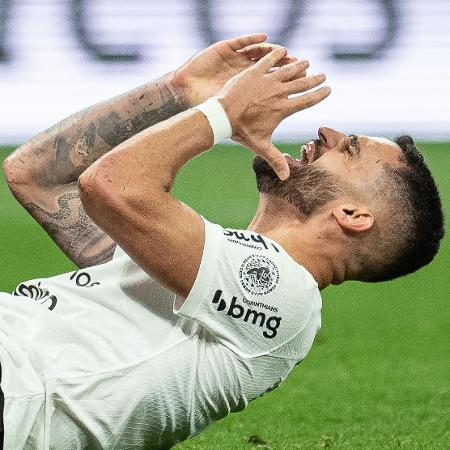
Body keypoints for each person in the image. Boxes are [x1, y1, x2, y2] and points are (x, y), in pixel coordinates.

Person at [1, 33, 444, 449]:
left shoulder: (287, 295)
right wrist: (180, 92)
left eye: (349, 150)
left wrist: (223, 113)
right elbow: (37, 176)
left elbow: (110, 185)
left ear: (353, 216)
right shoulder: (192, 267)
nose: (326, 133)